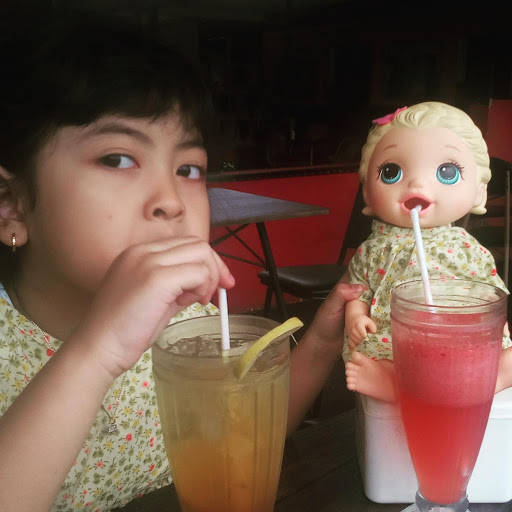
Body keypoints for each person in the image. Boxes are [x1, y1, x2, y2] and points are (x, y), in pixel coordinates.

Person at [0, 15, 363, 512]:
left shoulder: (190, 329)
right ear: (12, 205)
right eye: (117, 159)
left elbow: (249, 437)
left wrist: (320, 343)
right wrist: (99, 349)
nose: (171, 200)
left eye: (188, 168)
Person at [343, 101, 512, 403]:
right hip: (401, 341)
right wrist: (355, 317)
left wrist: (497, 324)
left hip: (461, 338)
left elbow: (490, 291)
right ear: (367, 191)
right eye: (391, 172)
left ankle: (493, 376)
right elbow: (359, 290)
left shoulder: (466, 247)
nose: (417, 184)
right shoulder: (374, 249)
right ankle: (392, 381)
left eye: (447, 172)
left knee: (494, 357)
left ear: (479, 191)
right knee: (395, 359)